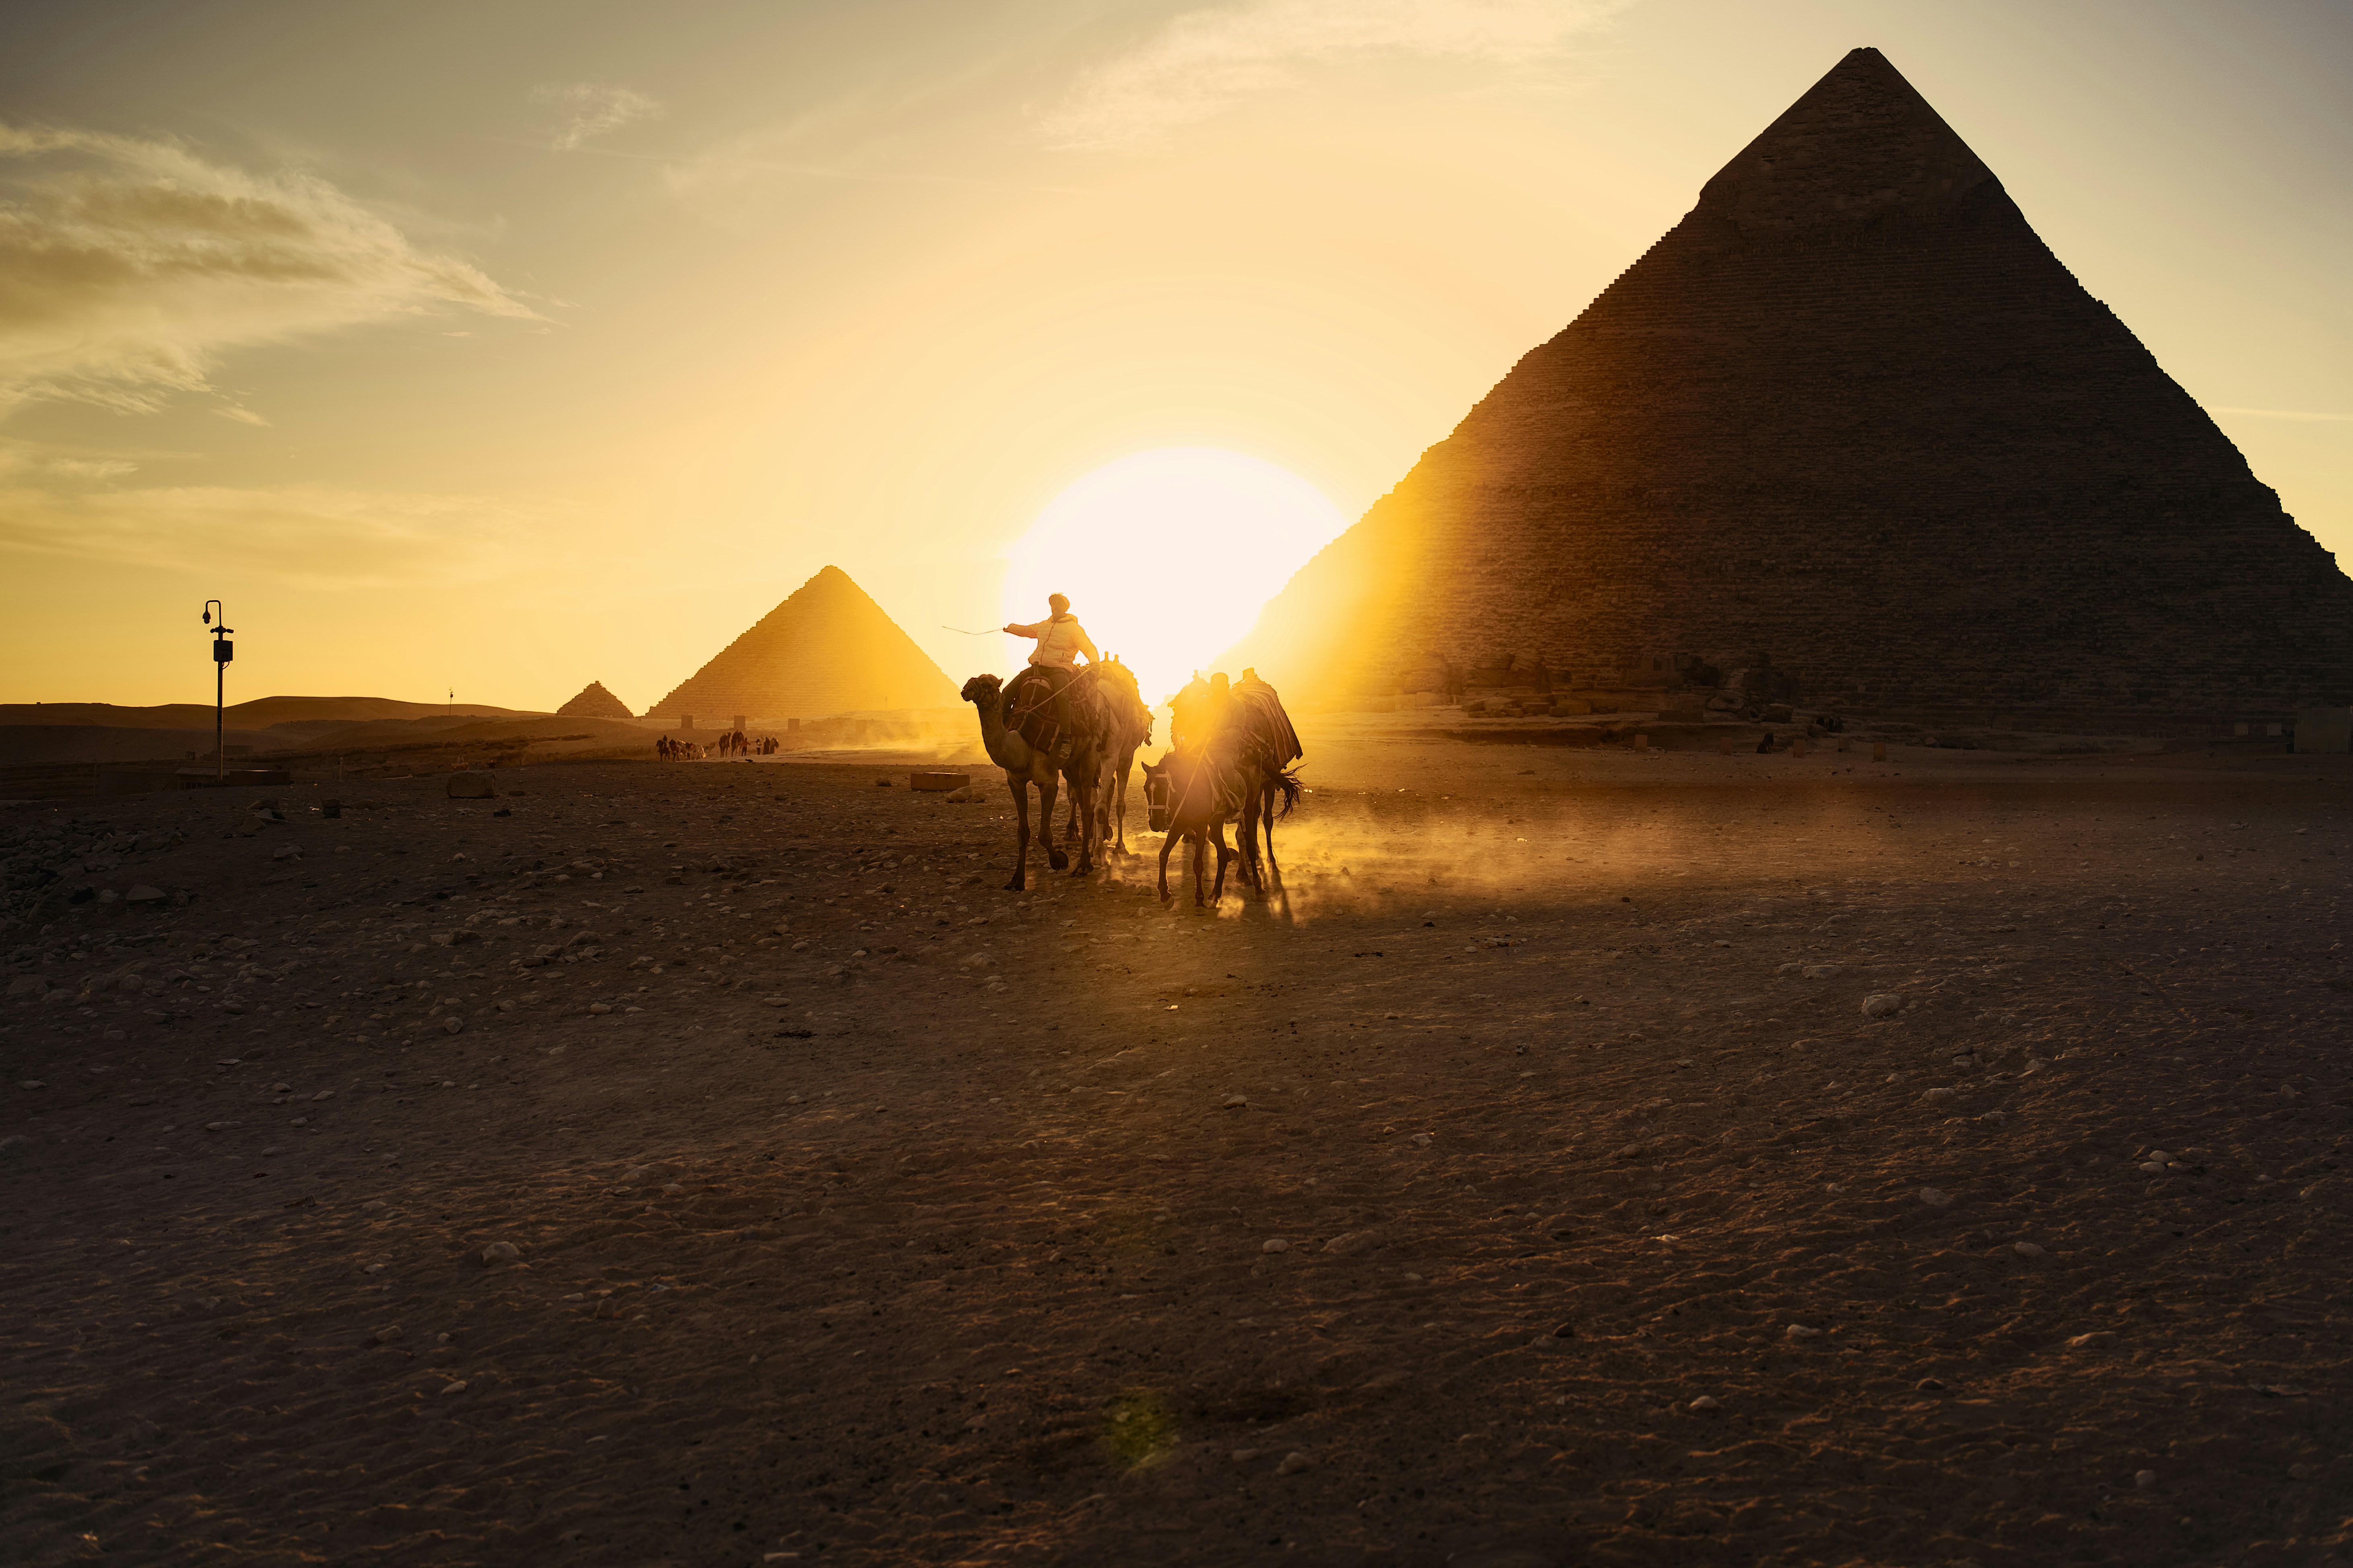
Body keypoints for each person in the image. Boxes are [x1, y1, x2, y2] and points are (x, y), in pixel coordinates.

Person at [1003, 593, 1098, 747]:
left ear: (1065, 608)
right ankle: (1003, 728)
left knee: (1062, 697)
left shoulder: (1074, 629)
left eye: (1059, 605)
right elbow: (1027, 630)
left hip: (1059, 670)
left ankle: (1066, 737)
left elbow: (1087, 646)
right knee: (1008, 692)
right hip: (1037, 668)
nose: (1056, 608)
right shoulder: (1044, 625)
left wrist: (1094, 662)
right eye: (1054, 605)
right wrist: (1011, 629)